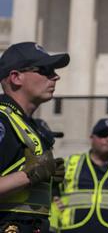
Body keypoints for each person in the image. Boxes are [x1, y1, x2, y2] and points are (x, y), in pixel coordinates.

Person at [0, 42, 68, 233]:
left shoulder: (29, 126)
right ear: (16, 77)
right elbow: (27, 176)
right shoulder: (2, 121)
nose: (55, 76)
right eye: (45, 70)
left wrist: (46, 178)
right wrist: (29, 175)